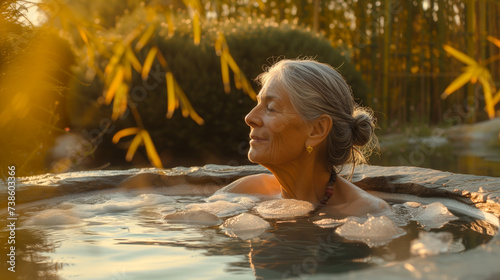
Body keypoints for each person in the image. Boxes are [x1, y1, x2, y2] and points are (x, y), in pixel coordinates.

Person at [221, 58, 390, 217]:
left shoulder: (366, 214)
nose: (249, 117)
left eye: (271, 108)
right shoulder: (244, 192)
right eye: (257, 104)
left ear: (317, 130)